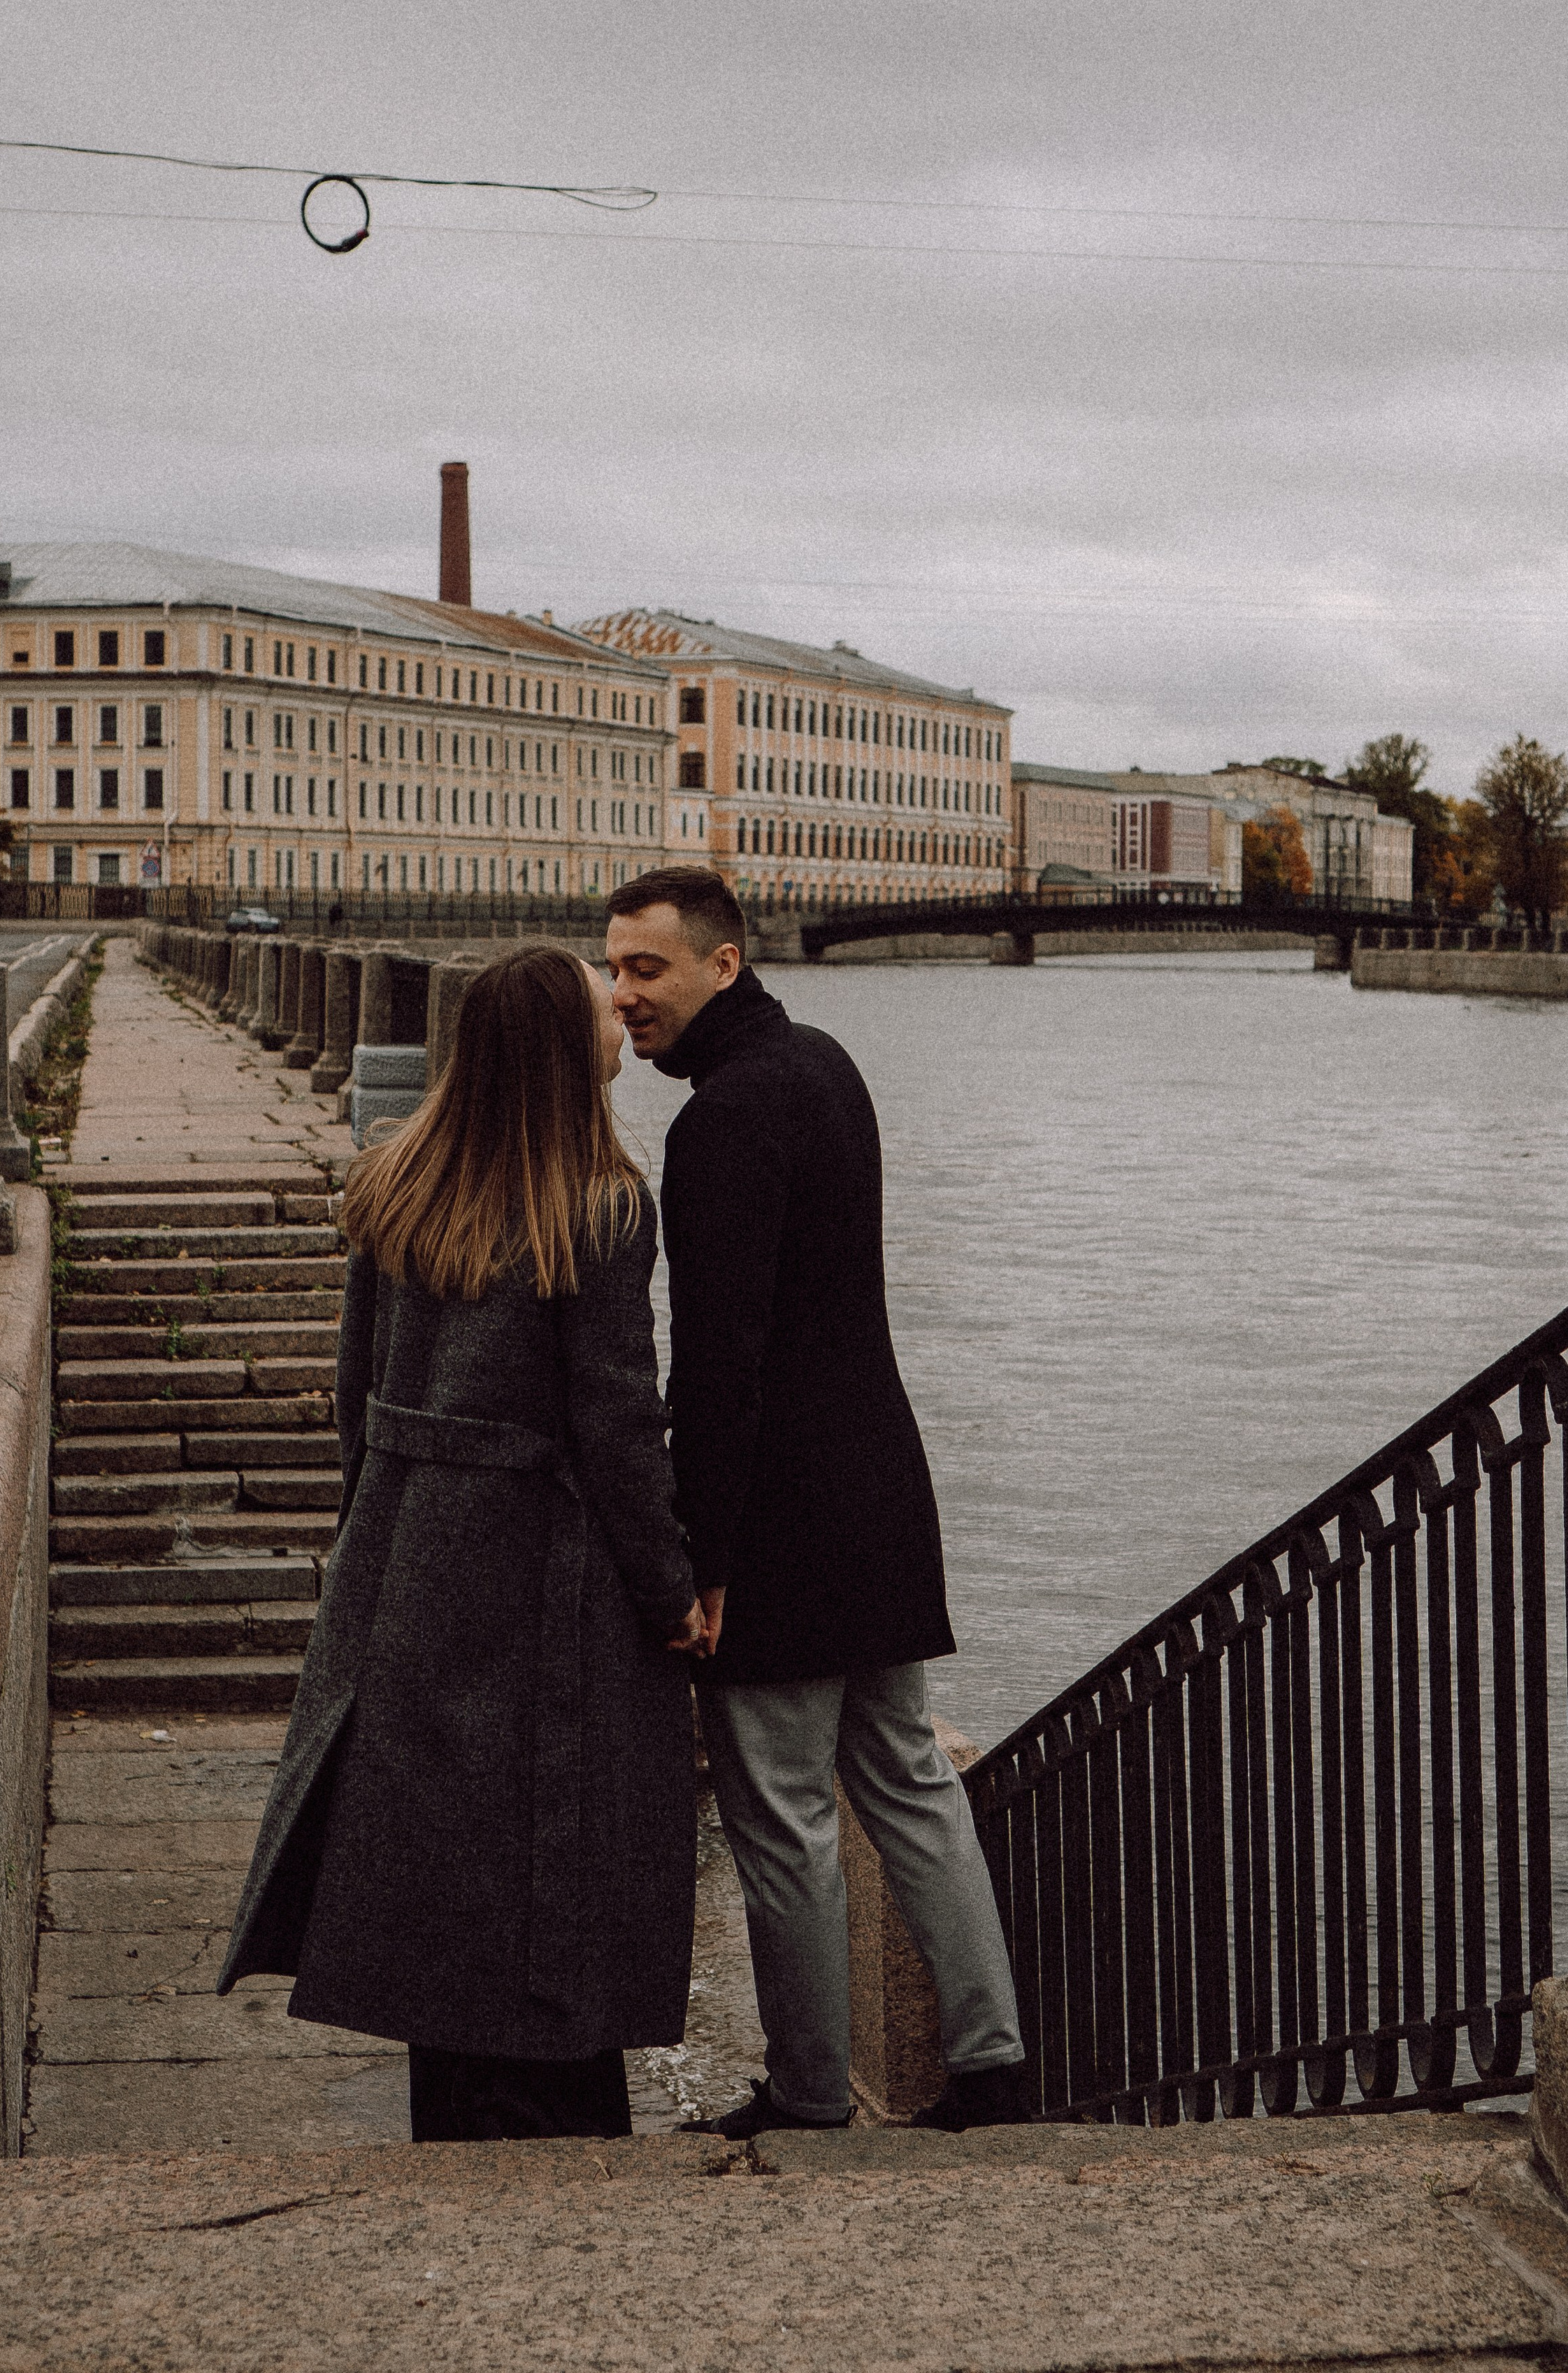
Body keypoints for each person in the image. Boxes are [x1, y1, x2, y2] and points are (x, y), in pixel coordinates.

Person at [218, 945, 706, 2142]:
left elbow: (353, 1390)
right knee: (555, 1848)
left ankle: (453, 2115)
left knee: (433, 1845)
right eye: (601, 1010)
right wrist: (670, 1592)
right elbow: (616, 1424)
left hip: (409, 1546)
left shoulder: (395, 1175)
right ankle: (564, 2129)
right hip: (546, 1567)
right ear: (559, 1047)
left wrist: (381, 1529)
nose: (618, 1022)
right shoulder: (599, 1204)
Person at [604, 868, 1026, 2136]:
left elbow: (721, 1359)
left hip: (780, 1515)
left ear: (723, 965)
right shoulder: (827, 1064)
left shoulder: (723, 1119)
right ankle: (995, 2063)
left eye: (649, 970)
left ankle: (804, 2094)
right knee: (906, 1781)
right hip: (881, 1486)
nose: (625, 998)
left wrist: (700, 1555)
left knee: (780, 1816)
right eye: (615, 970)